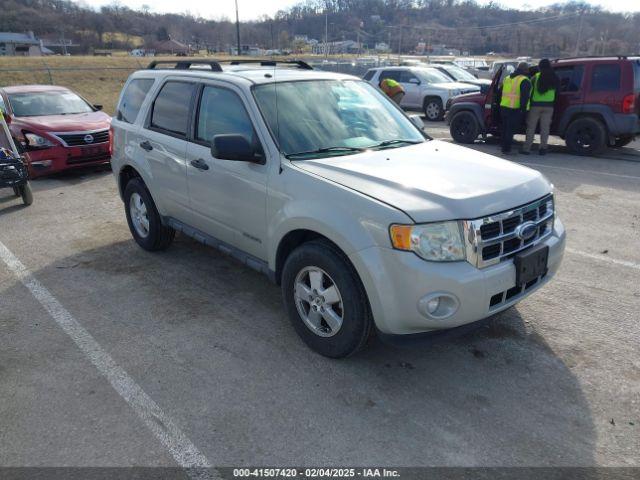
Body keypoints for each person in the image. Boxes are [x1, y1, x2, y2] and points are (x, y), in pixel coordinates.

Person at [521, 59, 559, 156]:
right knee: (545, 129)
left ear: (540, 67)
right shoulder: (555, 77)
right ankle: (543, 149)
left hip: (535, 106)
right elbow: (558, 92)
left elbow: (529, 91)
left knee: (531, 128)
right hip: (549, 106)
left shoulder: (535, 77)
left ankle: (527, 149)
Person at [498, 62, 531, 154]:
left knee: (505, 128)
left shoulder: (507, 78)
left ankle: (503, 146)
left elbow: (501, 92)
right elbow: (524, 97)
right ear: (525, 70)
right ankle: (506, 149)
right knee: (510, 130)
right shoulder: (524, 80)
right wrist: (523, 110)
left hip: (504, 106)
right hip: (514, 108)